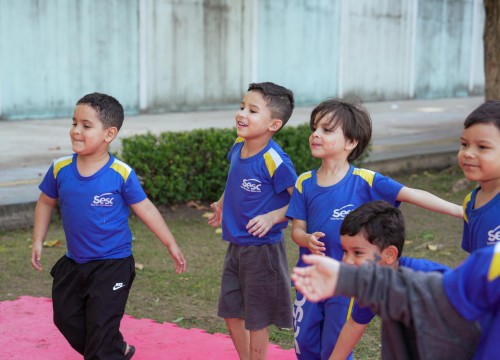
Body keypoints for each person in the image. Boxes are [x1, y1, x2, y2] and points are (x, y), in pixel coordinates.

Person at [285, 98, 462, 360]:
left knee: (336, 346)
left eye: (326, 129)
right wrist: (306, 239)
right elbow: (296, 230)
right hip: (311, 279)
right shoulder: (304, 183)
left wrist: (460, 211)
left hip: (348, 282)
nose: (315, 135)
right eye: (314, 128)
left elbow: (412, 194)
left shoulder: (366, 180)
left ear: (351, 142)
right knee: (305, 343)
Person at [31, 93, 187, 360]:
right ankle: (117, 350)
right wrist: (37, 239)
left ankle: (107, 351)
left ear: (109, 134)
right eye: (74, 123)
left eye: (86, 125)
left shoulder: (121, 174)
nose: (76, 131)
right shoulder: (60, 169)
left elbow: (146, 209)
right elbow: (45, 203)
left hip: (112, 265)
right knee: (66, 318)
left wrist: (171, 244)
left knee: (101, 330)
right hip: (74, 263)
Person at [207, 82, 297, 359]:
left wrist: (273, 216)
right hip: (235, 245)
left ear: (274, 124)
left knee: (256, 319)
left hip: (263, 251)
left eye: (252, 110)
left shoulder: (275, 160)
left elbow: (302, 201)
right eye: (242, 106)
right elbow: (234, 180)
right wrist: (222, 205)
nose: (242, 114)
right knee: (231, 312)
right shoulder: (238, 146)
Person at [291, 241, 500, 360]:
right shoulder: (492, 261)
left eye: (356, 253)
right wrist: (351, 279)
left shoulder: (430, 271)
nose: (346, 259)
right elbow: (441, 301)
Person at [330, 200, 449, 359]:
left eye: (357, 253)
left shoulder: (428, 277)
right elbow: (354, 326)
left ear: (389, 255)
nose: (347, 261)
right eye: (345, 251)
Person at [458, 100, 500, 253]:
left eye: (482, 147)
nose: (468, 153)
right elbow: (474, 260)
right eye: (464, 144)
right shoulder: (469, 202)